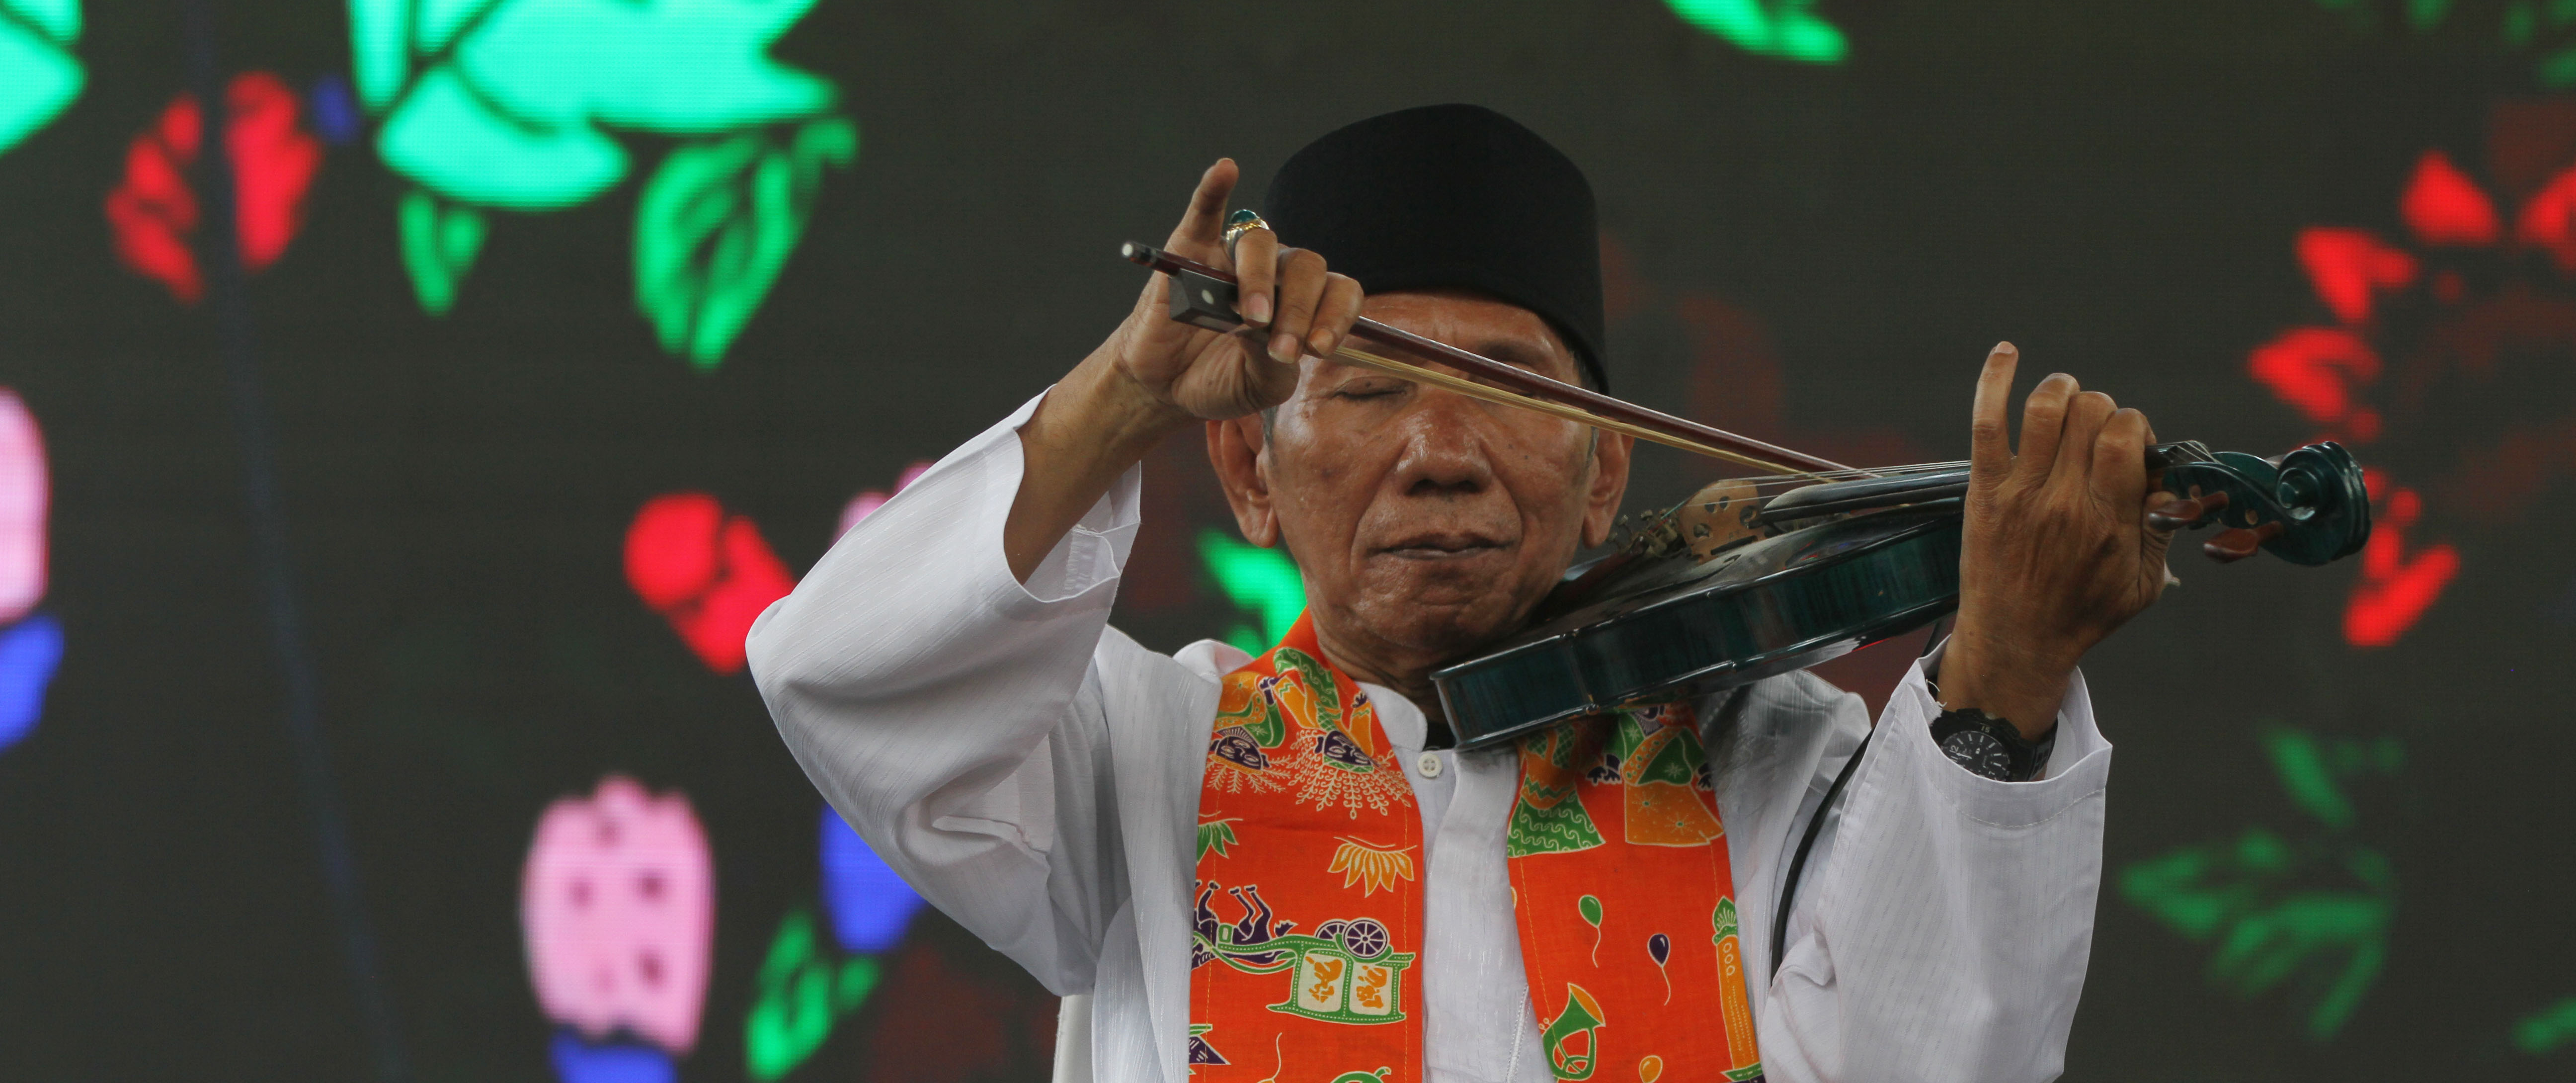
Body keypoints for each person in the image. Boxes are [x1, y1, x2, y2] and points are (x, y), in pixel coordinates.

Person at [749, 104, 2176, 1083]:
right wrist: (1128, 394)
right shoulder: (1142, 756)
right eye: (1368, 389)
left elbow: (1927, 1054)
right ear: (1251, 473)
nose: (1439, 452)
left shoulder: (1773, 754)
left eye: (1507, 390)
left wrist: (2010, 665)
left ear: (1609, 472)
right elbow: (844, 674)